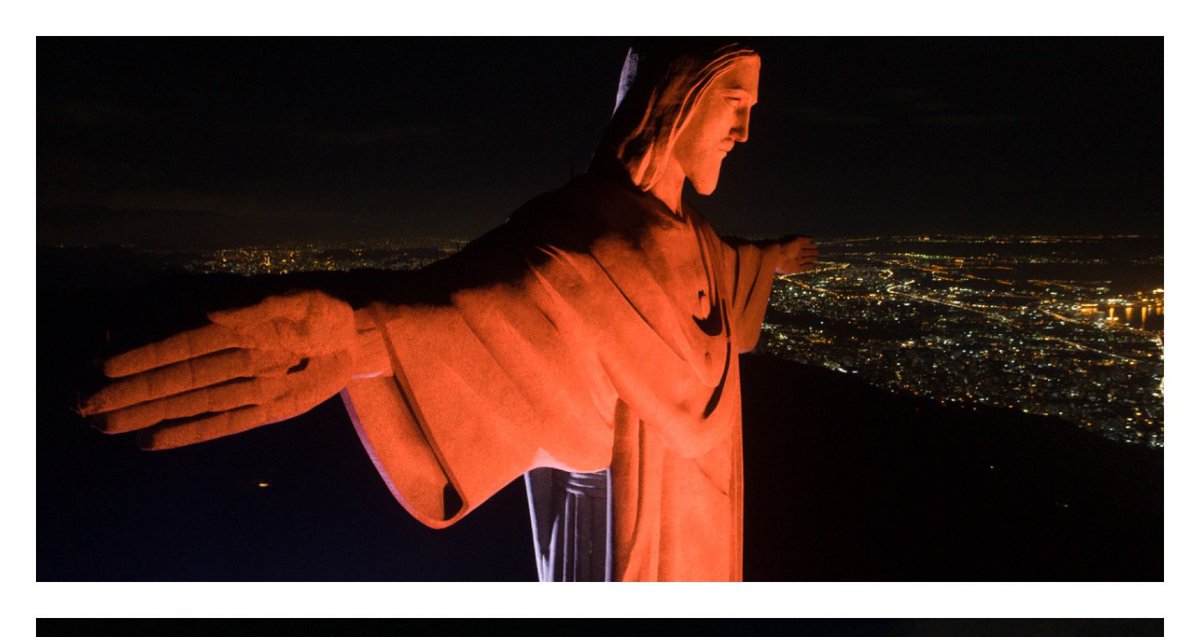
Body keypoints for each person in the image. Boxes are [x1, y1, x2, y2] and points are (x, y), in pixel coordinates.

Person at [81, 41, 817, 581]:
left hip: (708, 539)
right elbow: (486, 307)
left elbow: (721, 269)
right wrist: (366, 334)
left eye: (752, 112)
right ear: (676, 98)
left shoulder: (700, 239)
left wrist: (772, 257)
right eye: (735, 106)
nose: (745, 132)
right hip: (619, 536)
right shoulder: (580, 239)